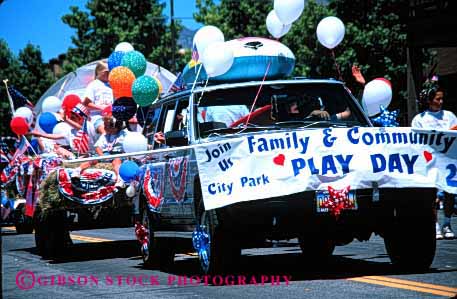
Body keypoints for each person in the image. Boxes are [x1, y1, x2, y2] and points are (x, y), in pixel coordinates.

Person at [411, 79, 457, 239]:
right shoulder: (420, 119)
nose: (441, 102)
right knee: (433, 193)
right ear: (430, 100)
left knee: (450, 191)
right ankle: (435, 225)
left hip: (449, 160)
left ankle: (447, 223)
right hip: (430, 161)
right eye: (438, 99)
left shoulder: (450, 116)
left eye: (442, 98)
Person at [72, 113, 128, 188]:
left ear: (115, 127)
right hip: (106, 154)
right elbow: (98, 146)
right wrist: (101, 156)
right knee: (93, 159)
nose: (104, 127)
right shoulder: (105, 135)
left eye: (106, 126)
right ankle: (78, 170)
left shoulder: (124, 135)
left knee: (117, 161)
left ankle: (119, 179)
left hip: (118, 154)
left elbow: (129, 145)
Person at [83, 60, 113, 135]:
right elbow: (86, 103)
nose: (109, 74)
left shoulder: (111, 86)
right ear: (99, 72)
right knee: (105, 132)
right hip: (97, 116)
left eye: (110, 71)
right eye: (107, 72)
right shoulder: (93, 85)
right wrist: (102, 108)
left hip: (110, 116)